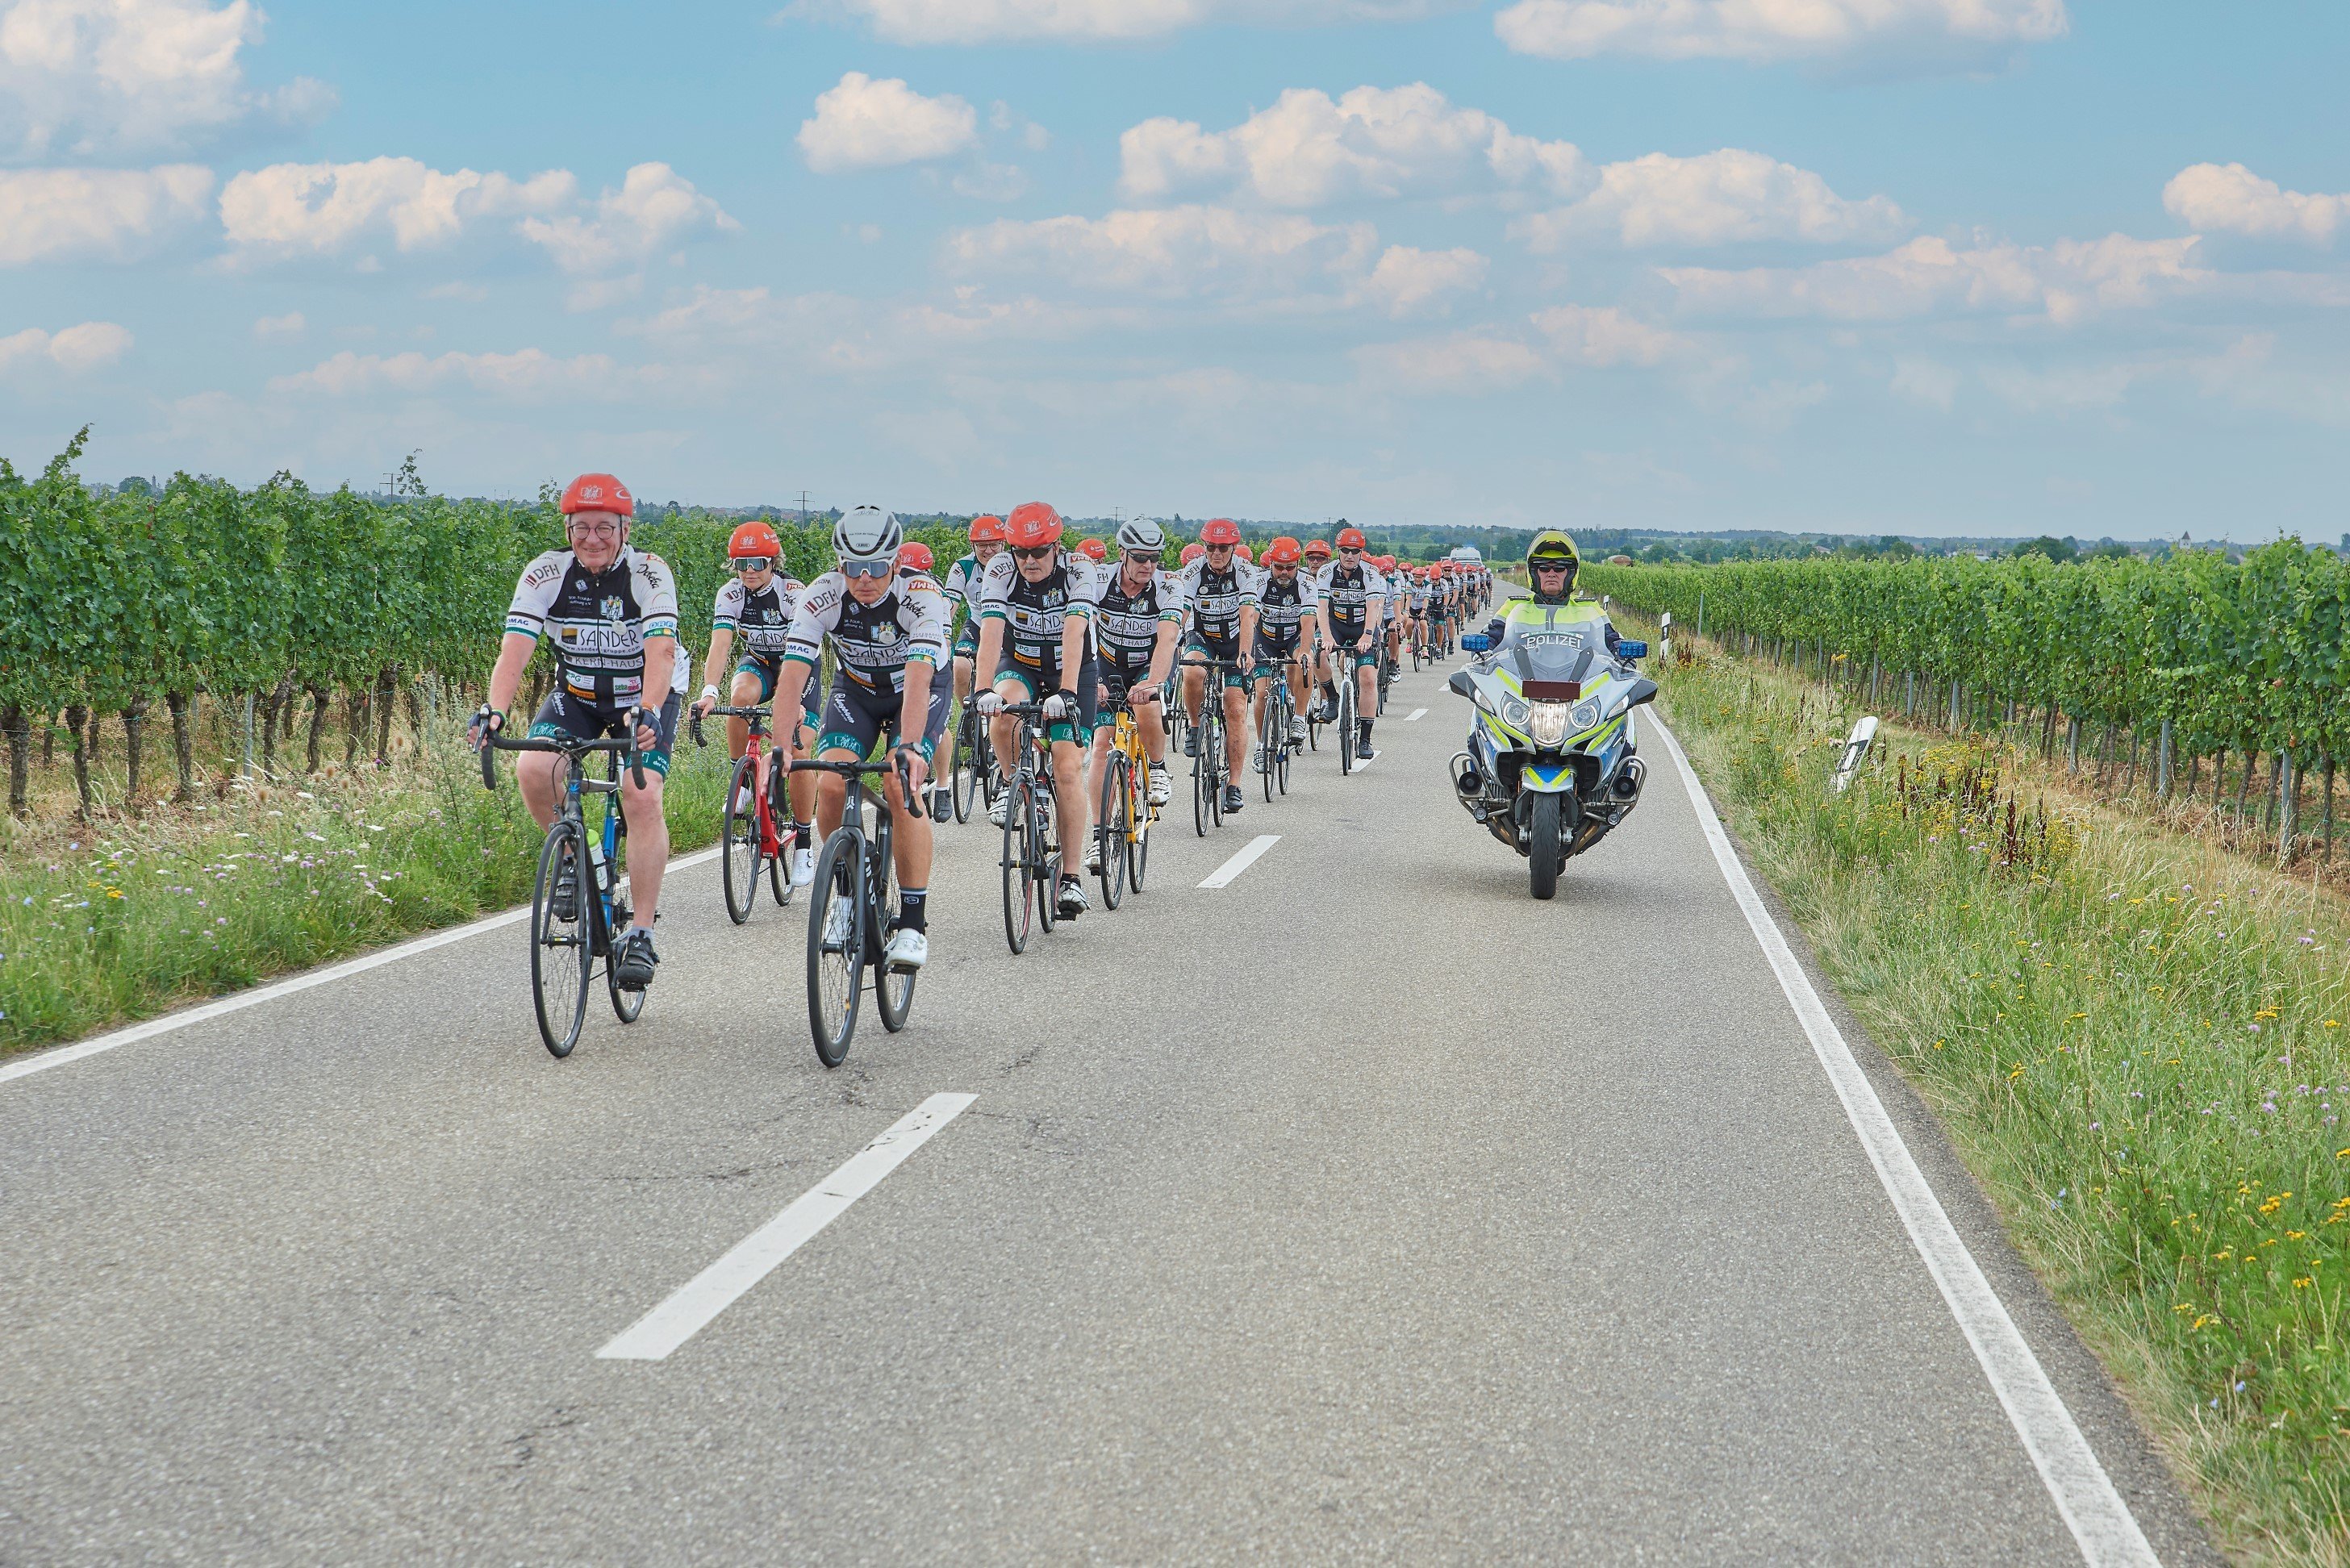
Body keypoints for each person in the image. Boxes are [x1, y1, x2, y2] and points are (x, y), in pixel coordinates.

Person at [473, 472, 682, 990]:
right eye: (582, 527)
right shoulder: (546, 574)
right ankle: (576, 857)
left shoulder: (649, 573)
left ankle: (642, 933)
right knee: (533, 768)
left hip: (643, 698)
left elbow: (661, 651)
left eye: (604, 528)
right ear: (568, 530)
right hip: (578, 695)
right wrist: (496, 710)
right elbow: (514, 650)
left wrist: (649, 710)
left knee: (640, 795)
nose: (592, 538)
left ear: (625, 529)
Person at [771, 507, 952, 970]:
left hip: (919, 689)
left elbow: (919, 677)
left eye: (875, 567)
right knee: (832, 780)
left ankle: (913, 923)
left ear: (896, 562)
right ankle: (847, 896)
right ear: (840, 564)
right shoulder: (822, 596)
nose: (864, 578)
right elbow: (793, 674)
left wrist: (909, 747)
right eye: (853, 567)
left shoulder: (922, 597)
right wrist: (780, 745)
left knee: (899, 782)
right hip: (857, 691)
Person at [972, 501, 1100, 919]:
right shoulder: (1000, 570)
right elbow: (991, 632)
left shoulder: (1079, 570)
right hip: (1021, 662)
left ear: (1057, 547)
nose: (1029, 560)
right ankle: (1014, 783)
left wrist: (1067, 692)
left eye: (1039, 551)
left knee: (1067, 768)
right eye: (1021, 552)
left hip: (1072, 669)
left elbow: (1074, 632)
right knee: (1002, 711)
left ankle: (1072, 877)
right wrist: (983, 689)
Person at [691, 520, 817, 886]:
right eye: (741, 564)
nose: (749, 571)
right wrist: (709, 691)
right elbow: (720, 643)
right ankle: (744, 780)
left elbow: (802, 651)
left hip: (799, 666)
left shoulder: (792, 593)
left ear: (773, 562)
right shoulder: (730, 594)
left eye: (758, 563)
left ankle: (804, 843)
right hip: (760, 662)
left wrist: (795, 703)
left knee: (800, 752)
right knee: (739, 698)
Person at [1083, 518, 1183, 869]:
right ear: (1122, 553)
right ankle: (1099, 837)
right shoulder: (1098, 580)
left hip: (1149, 662)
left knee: (1148, 705)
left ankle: (1157, 767)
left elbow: (1167, 639)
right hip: (1106, 664)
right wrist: (1090, 679)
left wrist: (1152, 683)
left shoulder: (1169, 586)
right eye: (1140, 557)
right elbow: (1083, 631)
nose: (1148, 565)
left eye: (1155, 558)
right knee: (1101, 744)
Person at [1176, 517, 1258, 817]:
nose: (1216, 553)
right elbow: (1183, 610)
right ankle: (1195, 726)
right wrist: (1171, 642)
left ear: (1234, 548)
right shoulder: (1193, 570)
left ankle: (1234, 785)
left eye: (1223, 548)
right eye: (1211, 547)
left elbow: (1247, 615)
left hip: (1236, 641)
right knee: (1192, 670)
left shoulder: (1246, 572)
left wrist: (1245, 653)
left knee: (1235, 709)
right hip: (1204, 636)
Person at [1476, 529, 1620, 659]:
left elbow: (1613, 640)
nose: (1551, 574)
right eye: (1544, 568)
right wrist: (1482, 652)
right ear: (1533, 573)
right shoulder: (1515, 605)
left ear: (1571, 573)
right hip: (1521, 678)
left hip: (1581, 679)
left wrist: (1623, 653)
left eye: (1559, 568)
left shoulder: (1589, 608)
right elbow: (1490, 636)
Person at [1313, 525, 1388, 761]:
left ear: (1361, 553)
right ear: (1338, 551)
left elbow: (1373, 607)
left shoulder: (1370, 573)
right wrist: (1326, 636)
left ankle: (1365, 738)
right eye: (1345, 550)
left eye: (1355, 551)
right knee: (1317, 654)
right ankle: (1332, 697)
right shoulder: (1326, 572)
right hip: (1336, 623)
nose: (1349, 555)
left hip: (1361, 626)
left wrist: (1367, 635)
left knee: (1368, 678)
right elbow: (1321, 608)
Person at [1246, 535, 1315, 759]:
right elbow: (1252, 616)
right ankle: (1260, 745)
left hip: (1294, 636)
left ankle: (1299, 717)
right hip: (1265, 638)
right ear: (1270, 564)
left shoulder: (1307, 583)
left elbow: (1308, 621)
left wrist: (1305, 651)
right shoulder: (1258, 581)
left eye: (1290, 567)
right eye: (1279, 567)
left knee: (1306, 663)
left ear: (1298, 565)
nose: (1284, 572)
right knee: (1262, 693)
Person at [943, 515, 1006, 707]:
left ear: (1003, 544)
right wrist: (944, 635)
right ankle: (968, 713)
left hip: (1008, 628)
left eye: (994, 545)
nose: (988, 550)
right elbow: (949, 604)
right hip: (978, 625)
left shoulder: (1014, 564)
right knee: (960, 664)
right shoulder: (963, 567)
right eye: (982, 545)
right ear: (973, 546)